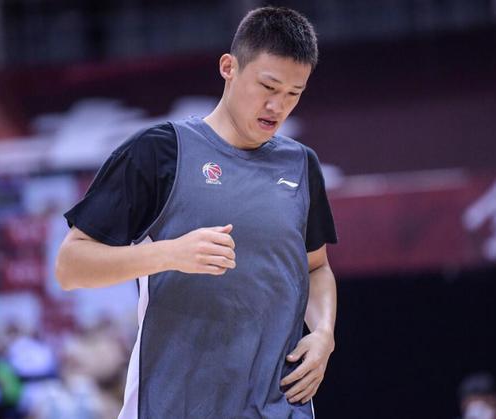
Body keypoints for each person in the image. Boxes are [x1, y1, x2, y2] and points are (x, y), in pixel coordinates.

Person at [56, 6, 338, 419]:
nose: (277, 106)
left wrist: (325, 333)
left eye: (293, 94)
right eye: (268, 86)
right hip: (175, 404)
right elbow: (70, 265)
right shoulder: (160, 151)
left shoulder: (301, 165)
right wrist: (169, 253)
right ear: (229, 67)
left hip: (278, 405)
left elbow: (316, 268)